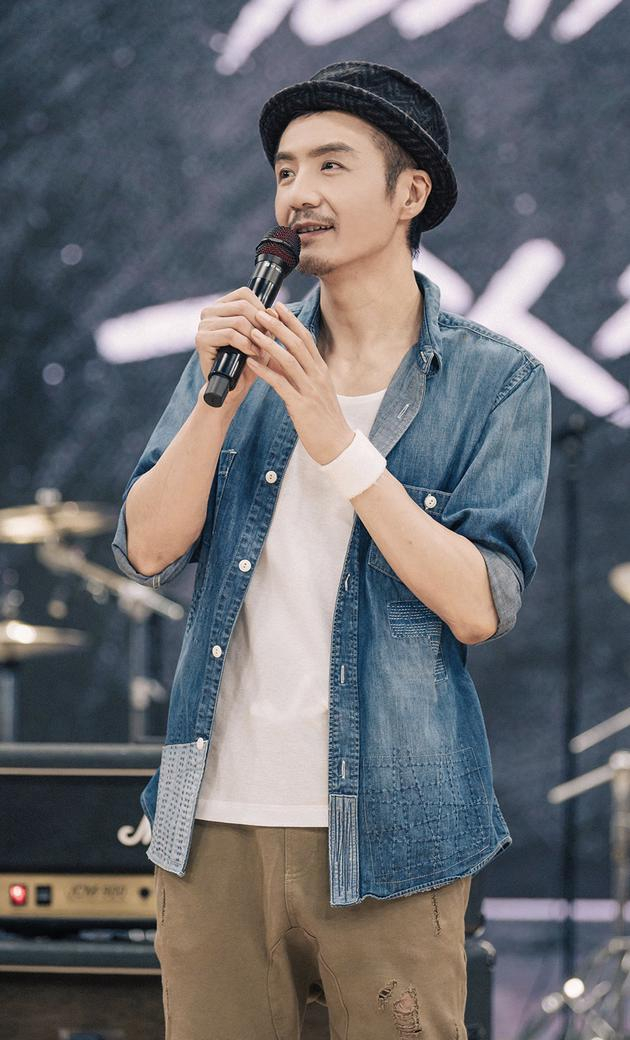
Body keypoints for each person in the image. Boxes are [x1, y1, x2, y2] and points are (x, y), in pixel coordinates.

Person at [112, 60, 551, 1040]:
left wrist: (336, 437)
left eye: (331, 165)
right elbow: (147, 547)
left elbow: (479, 603)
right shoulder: (239, 352)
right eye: (285, 169)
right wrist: (217, 400)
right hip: (211, 822)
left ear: (410, 193)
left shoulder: (496, 380)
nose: (298, 193)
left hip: (394, 831)